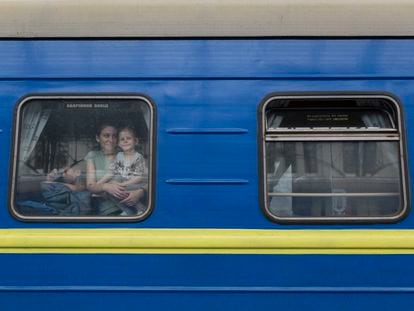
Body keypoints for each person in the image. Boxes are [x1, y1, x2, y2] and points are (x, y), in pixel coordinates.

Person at [85, 123, 147, 216]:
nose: (110, 140)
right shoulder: (93, 155)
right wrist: (105, 186)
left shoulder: (129, 154)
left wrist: (140, 192)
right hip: (107, 211)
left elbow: (151, 180)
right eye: (106, 136)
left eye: (114, 136)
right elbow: (91, 186)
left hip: (137, 208)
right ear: (98, 138)